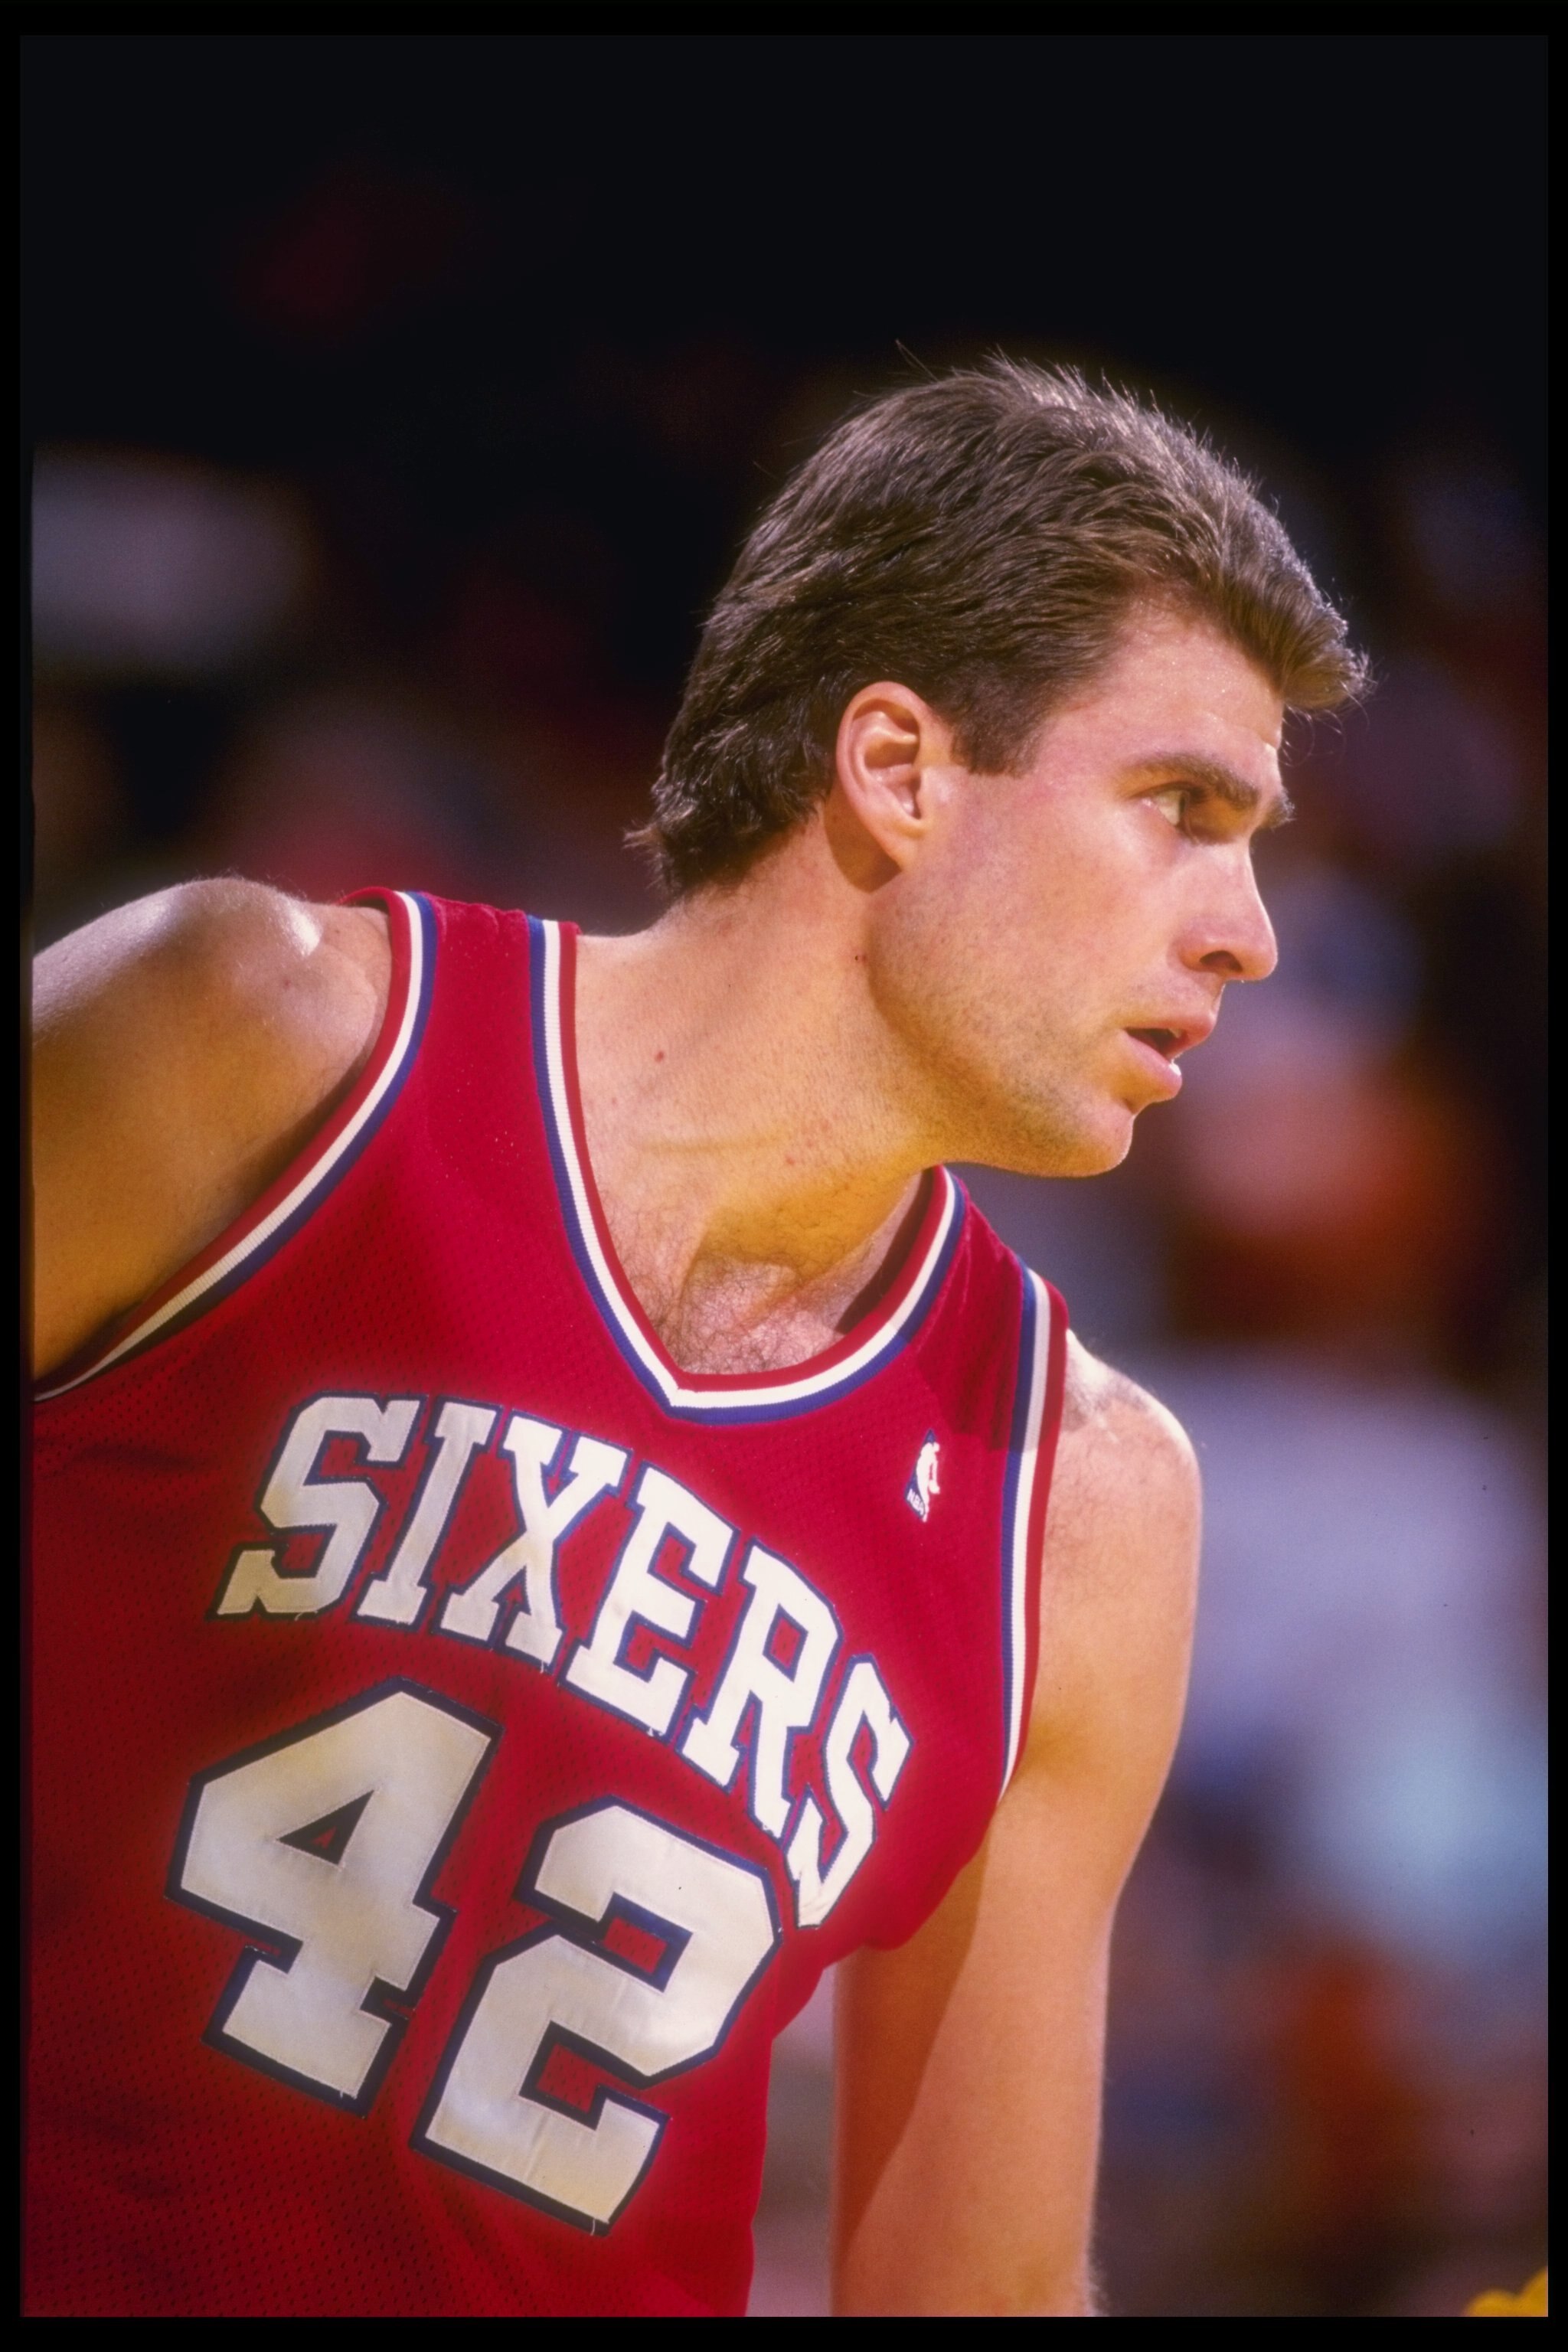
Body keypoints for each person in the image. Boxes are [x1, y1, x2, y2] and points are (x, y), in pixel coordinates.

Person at [27, 363, 1364, 2318]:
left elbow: (970, 2300)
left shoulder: (1079, 1511)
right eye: (1181, 809)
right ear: (897, 767)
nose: (1246, 929)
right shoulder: (259, 1042)